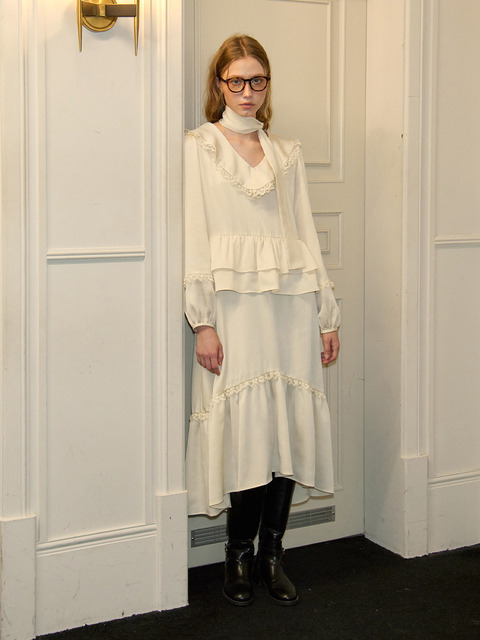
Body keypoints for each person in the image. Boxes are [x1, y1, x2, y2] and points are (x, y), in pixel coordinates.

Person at [184, 34, 340, 607]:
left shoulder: (286, 153)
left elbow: (305, 232)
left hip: (291, 301)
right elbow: (194, 233)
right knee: (247, 427)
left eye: (257, 80)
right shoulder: (199, 146)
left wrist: (326, 314)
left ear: (267, 84)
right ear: (219, 84)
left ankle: (272, 554)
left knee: (288, 424)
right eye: (237, 81)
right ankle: (237, 554)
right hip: (234, 306)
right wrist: (202, 320)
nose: (248, 92)